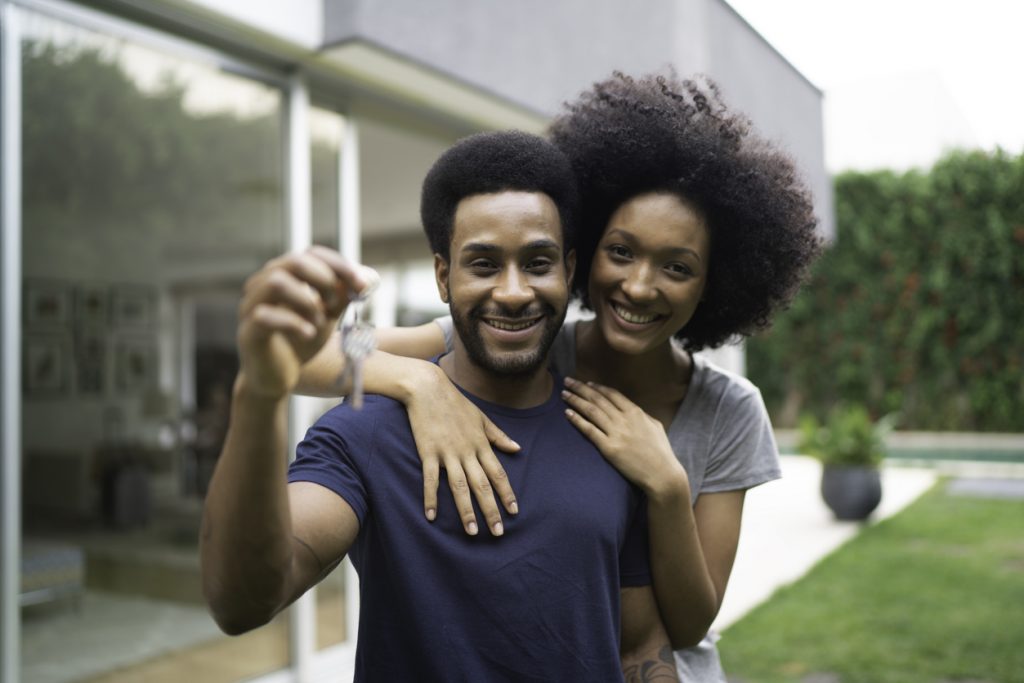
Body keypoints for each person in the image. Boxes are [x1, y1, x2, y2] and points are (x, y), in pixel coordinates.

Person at [295, 72, 822, 682]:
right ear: (582, 254)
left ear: (714, 282)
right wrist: (418, 382)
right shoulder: (521, 340)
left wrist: (668, 486)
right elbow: (317, 351)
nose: (640, 285)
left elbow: (691, 625)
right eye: (621, 252)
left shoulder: (728, 410)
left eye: (677, 267)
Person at [199, 130, 678, 682]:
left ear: (570, 271)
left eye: (538, 262)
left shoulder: (612, 432)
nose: (514, 291)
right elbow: (242, 602)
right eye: (483, 264)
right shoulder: (365, 434)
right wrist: (258, 393)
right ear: (443, 277)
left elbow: (641, 642)